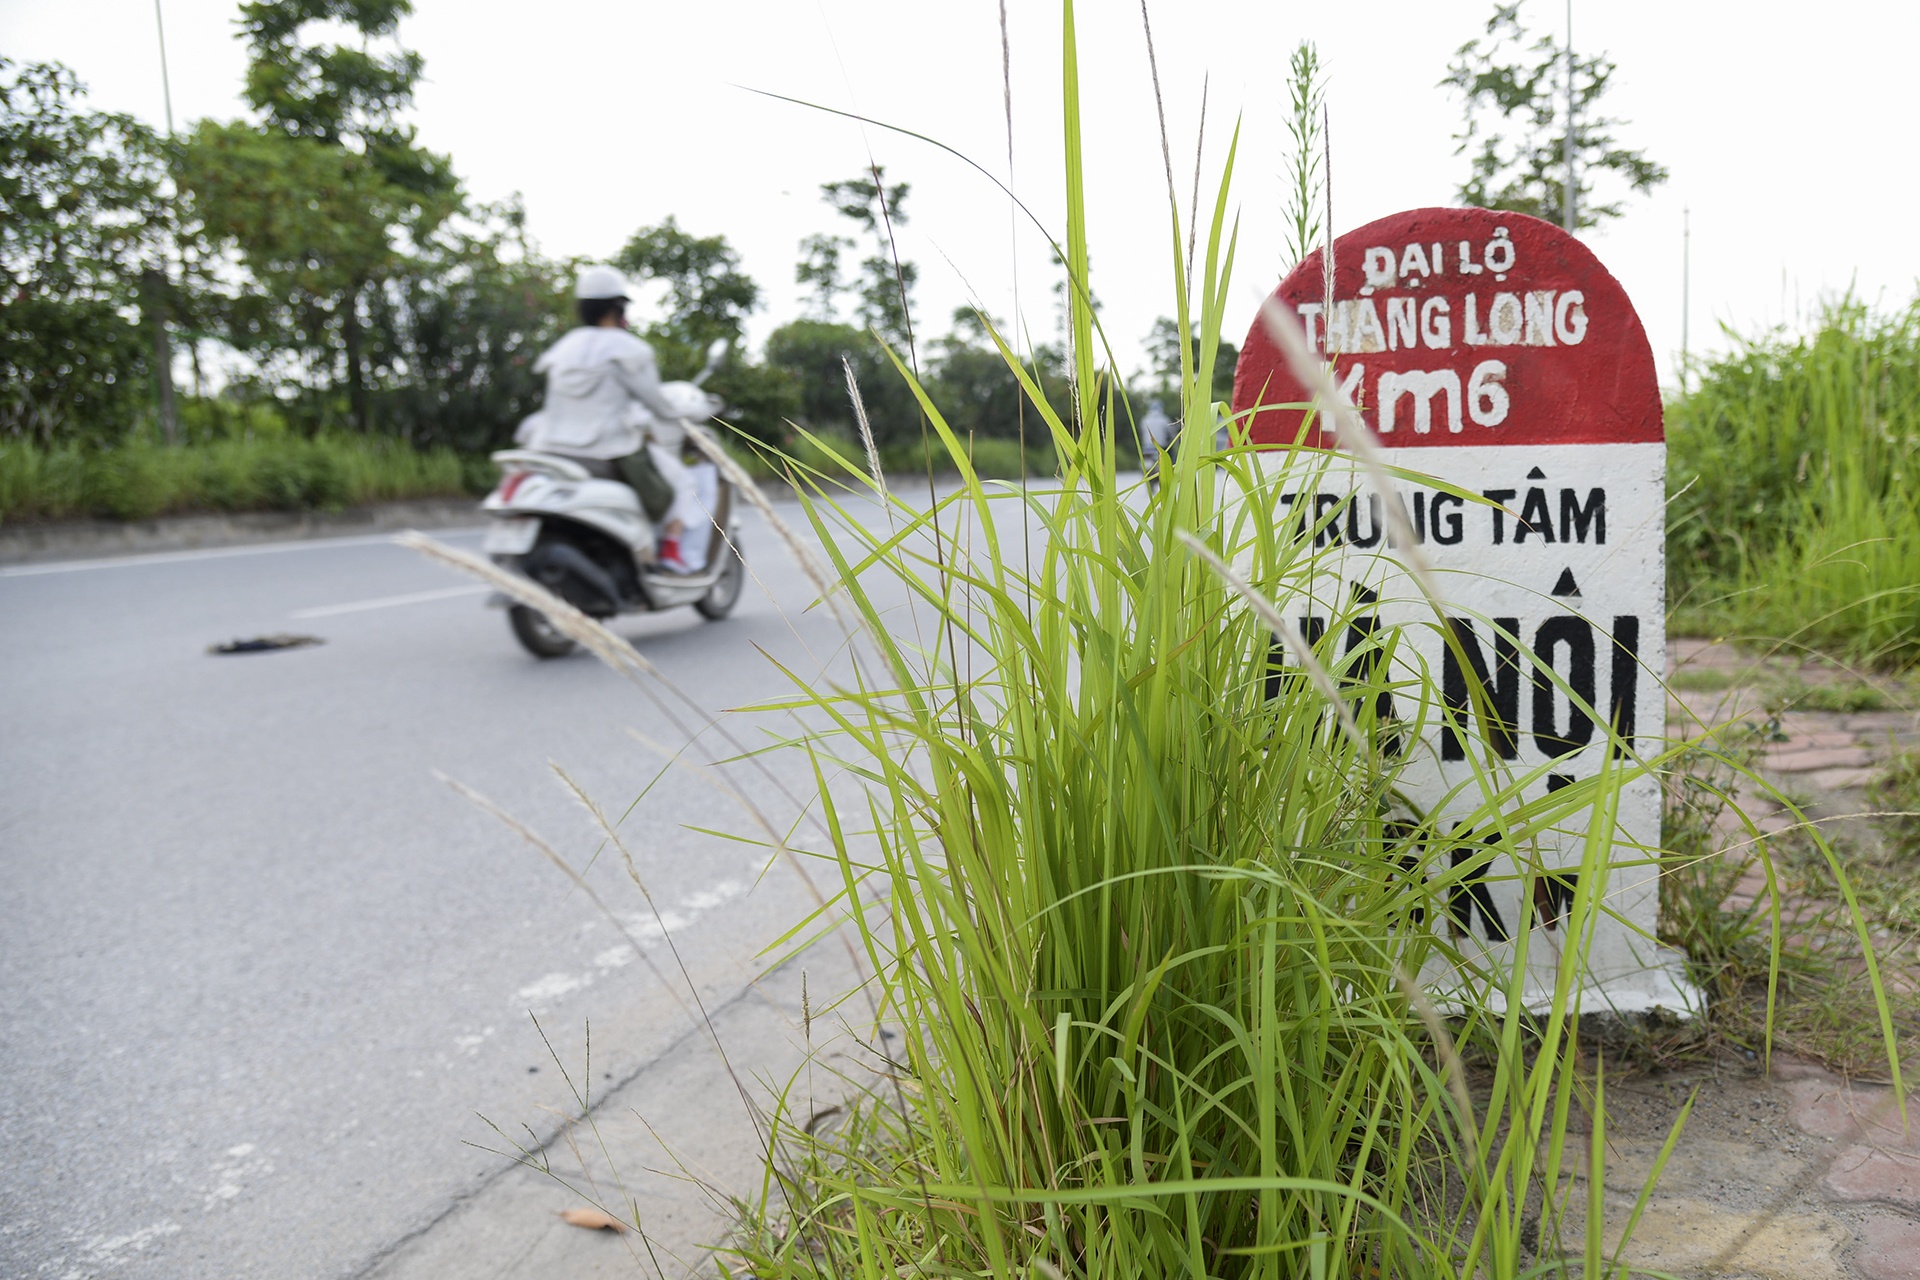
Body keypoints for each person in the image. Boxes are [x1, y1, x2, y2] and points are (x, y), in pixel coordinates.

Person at [515, 266, 708, 572]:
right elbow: (656, 403)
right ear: (617, 308)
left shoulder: (564, 348)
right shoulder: (628, 348)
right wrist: (683, 413)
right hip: (609, 450)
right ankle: (671, 552)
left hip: (551, 448)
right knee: (683, 482)